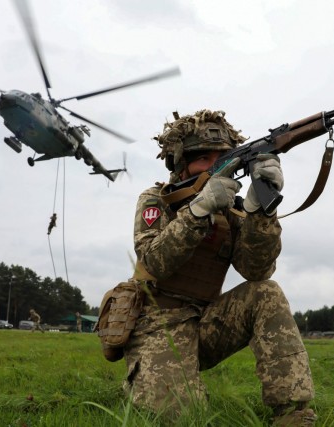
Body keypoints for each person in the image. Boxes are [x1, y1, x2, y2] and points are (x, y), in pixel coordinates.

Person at [123, 110, 316, 424]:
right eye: (204, 159)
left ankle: (292, 413)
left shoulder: (231, 210)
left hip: (208, 323)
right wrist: (198, 210)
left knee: (266, 292)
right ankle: (142, 376)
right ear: (180, 162)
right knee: (177, 417)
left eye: (223, 158)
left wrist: (259, 211)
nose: (215, 166)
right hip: (158, 324)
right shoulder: (157, 199)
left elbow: (257, 270)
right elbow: (152, 261)